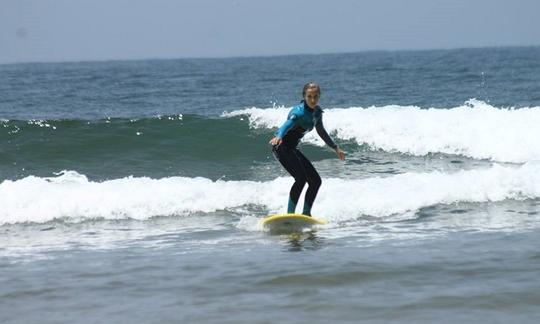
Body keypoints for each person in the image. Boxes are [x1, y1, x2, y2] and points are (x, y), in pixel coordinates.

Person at [269, 82, 345, 216]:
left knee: (316, 181)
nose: (313, 100)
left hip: (291, 148)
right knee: (301, 179)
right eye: (309, 96)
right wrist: (279, 136)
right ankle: (290, 215)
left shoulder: (317, 113)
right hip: (280, 147)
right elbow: (287, 125)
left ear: (319, 96)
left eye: (316, 96)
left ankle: (306, 214)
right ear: (304, 96)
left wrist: (335, 148)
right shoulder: (297, 112)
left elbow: (321, 131)